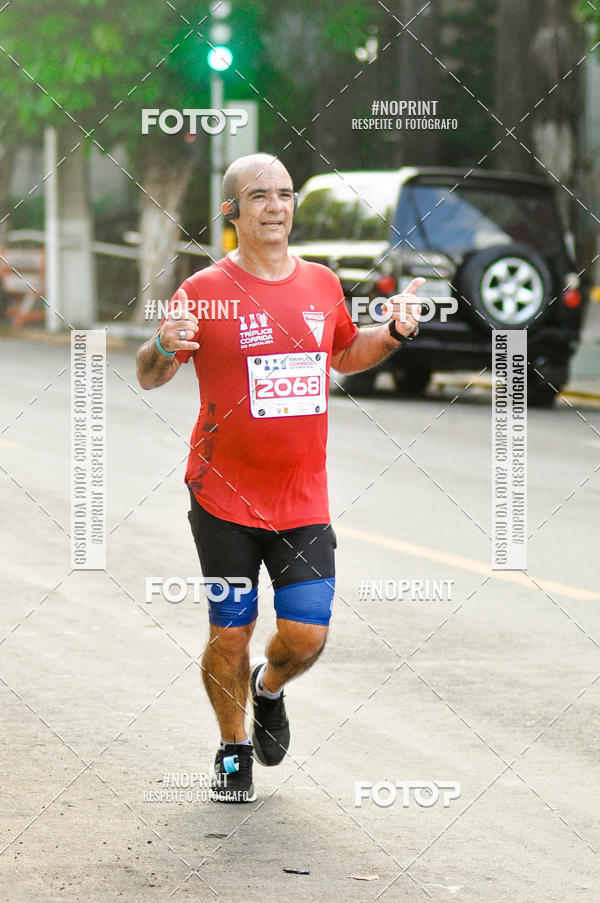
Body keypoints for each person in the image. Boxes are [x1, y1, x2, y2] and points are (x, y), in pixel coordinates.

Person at [135, 153, 422, 802]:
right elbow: (151, 374)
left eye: (285, 194)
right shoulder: (203, 291)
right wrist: (164, 342)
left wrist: (394, 332)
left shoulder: (321, 283)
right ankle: (233, 746)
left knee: (307, 635)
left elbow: (345, 351)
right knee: (230, 632)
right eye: (259, 195)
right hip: (223, 498)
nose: (275, 206)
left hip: (300, 499)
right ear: (231, 211)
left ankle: (268, 689)